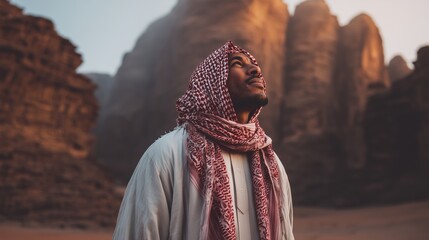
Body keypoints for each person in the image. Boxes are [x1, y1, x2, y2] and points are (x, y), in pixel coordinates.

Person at [113, 41, 294, 240]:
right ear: (213, 82)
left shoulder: (271, 163)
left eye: (254, 65)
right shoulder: (167, 154)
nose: (255, 69)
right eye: (237, 63)